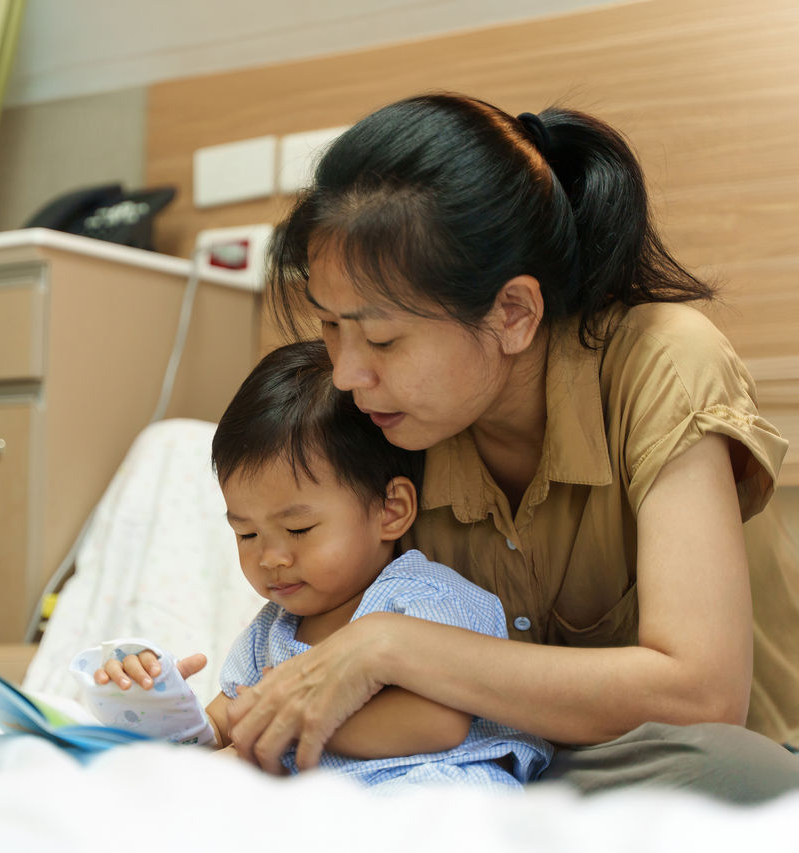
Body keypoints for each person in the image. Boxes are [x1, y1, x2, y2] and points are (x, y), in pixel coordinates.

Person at [215, 92, 799, 803]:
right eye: (331, 327)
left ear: (513, 313)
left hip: (679, 755)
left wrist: (391, 645)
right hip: (501, 764)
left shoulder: (663, 363)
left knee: (730, 770)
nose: (347, 373)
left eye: (384, 338)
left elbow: (702, 697)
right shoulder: (391, 423)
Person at [88, 340, 552, 791]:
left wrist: (281, 729)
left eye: (299, 530)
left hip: (430, 785)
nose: (271, 558)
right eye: (247, 534)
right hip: (329, 806)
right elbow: (225, 724)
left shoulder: (421, 597)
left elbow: (435, 721)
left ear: (390, 510)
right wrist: (158, 706)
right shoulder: (271, 632)